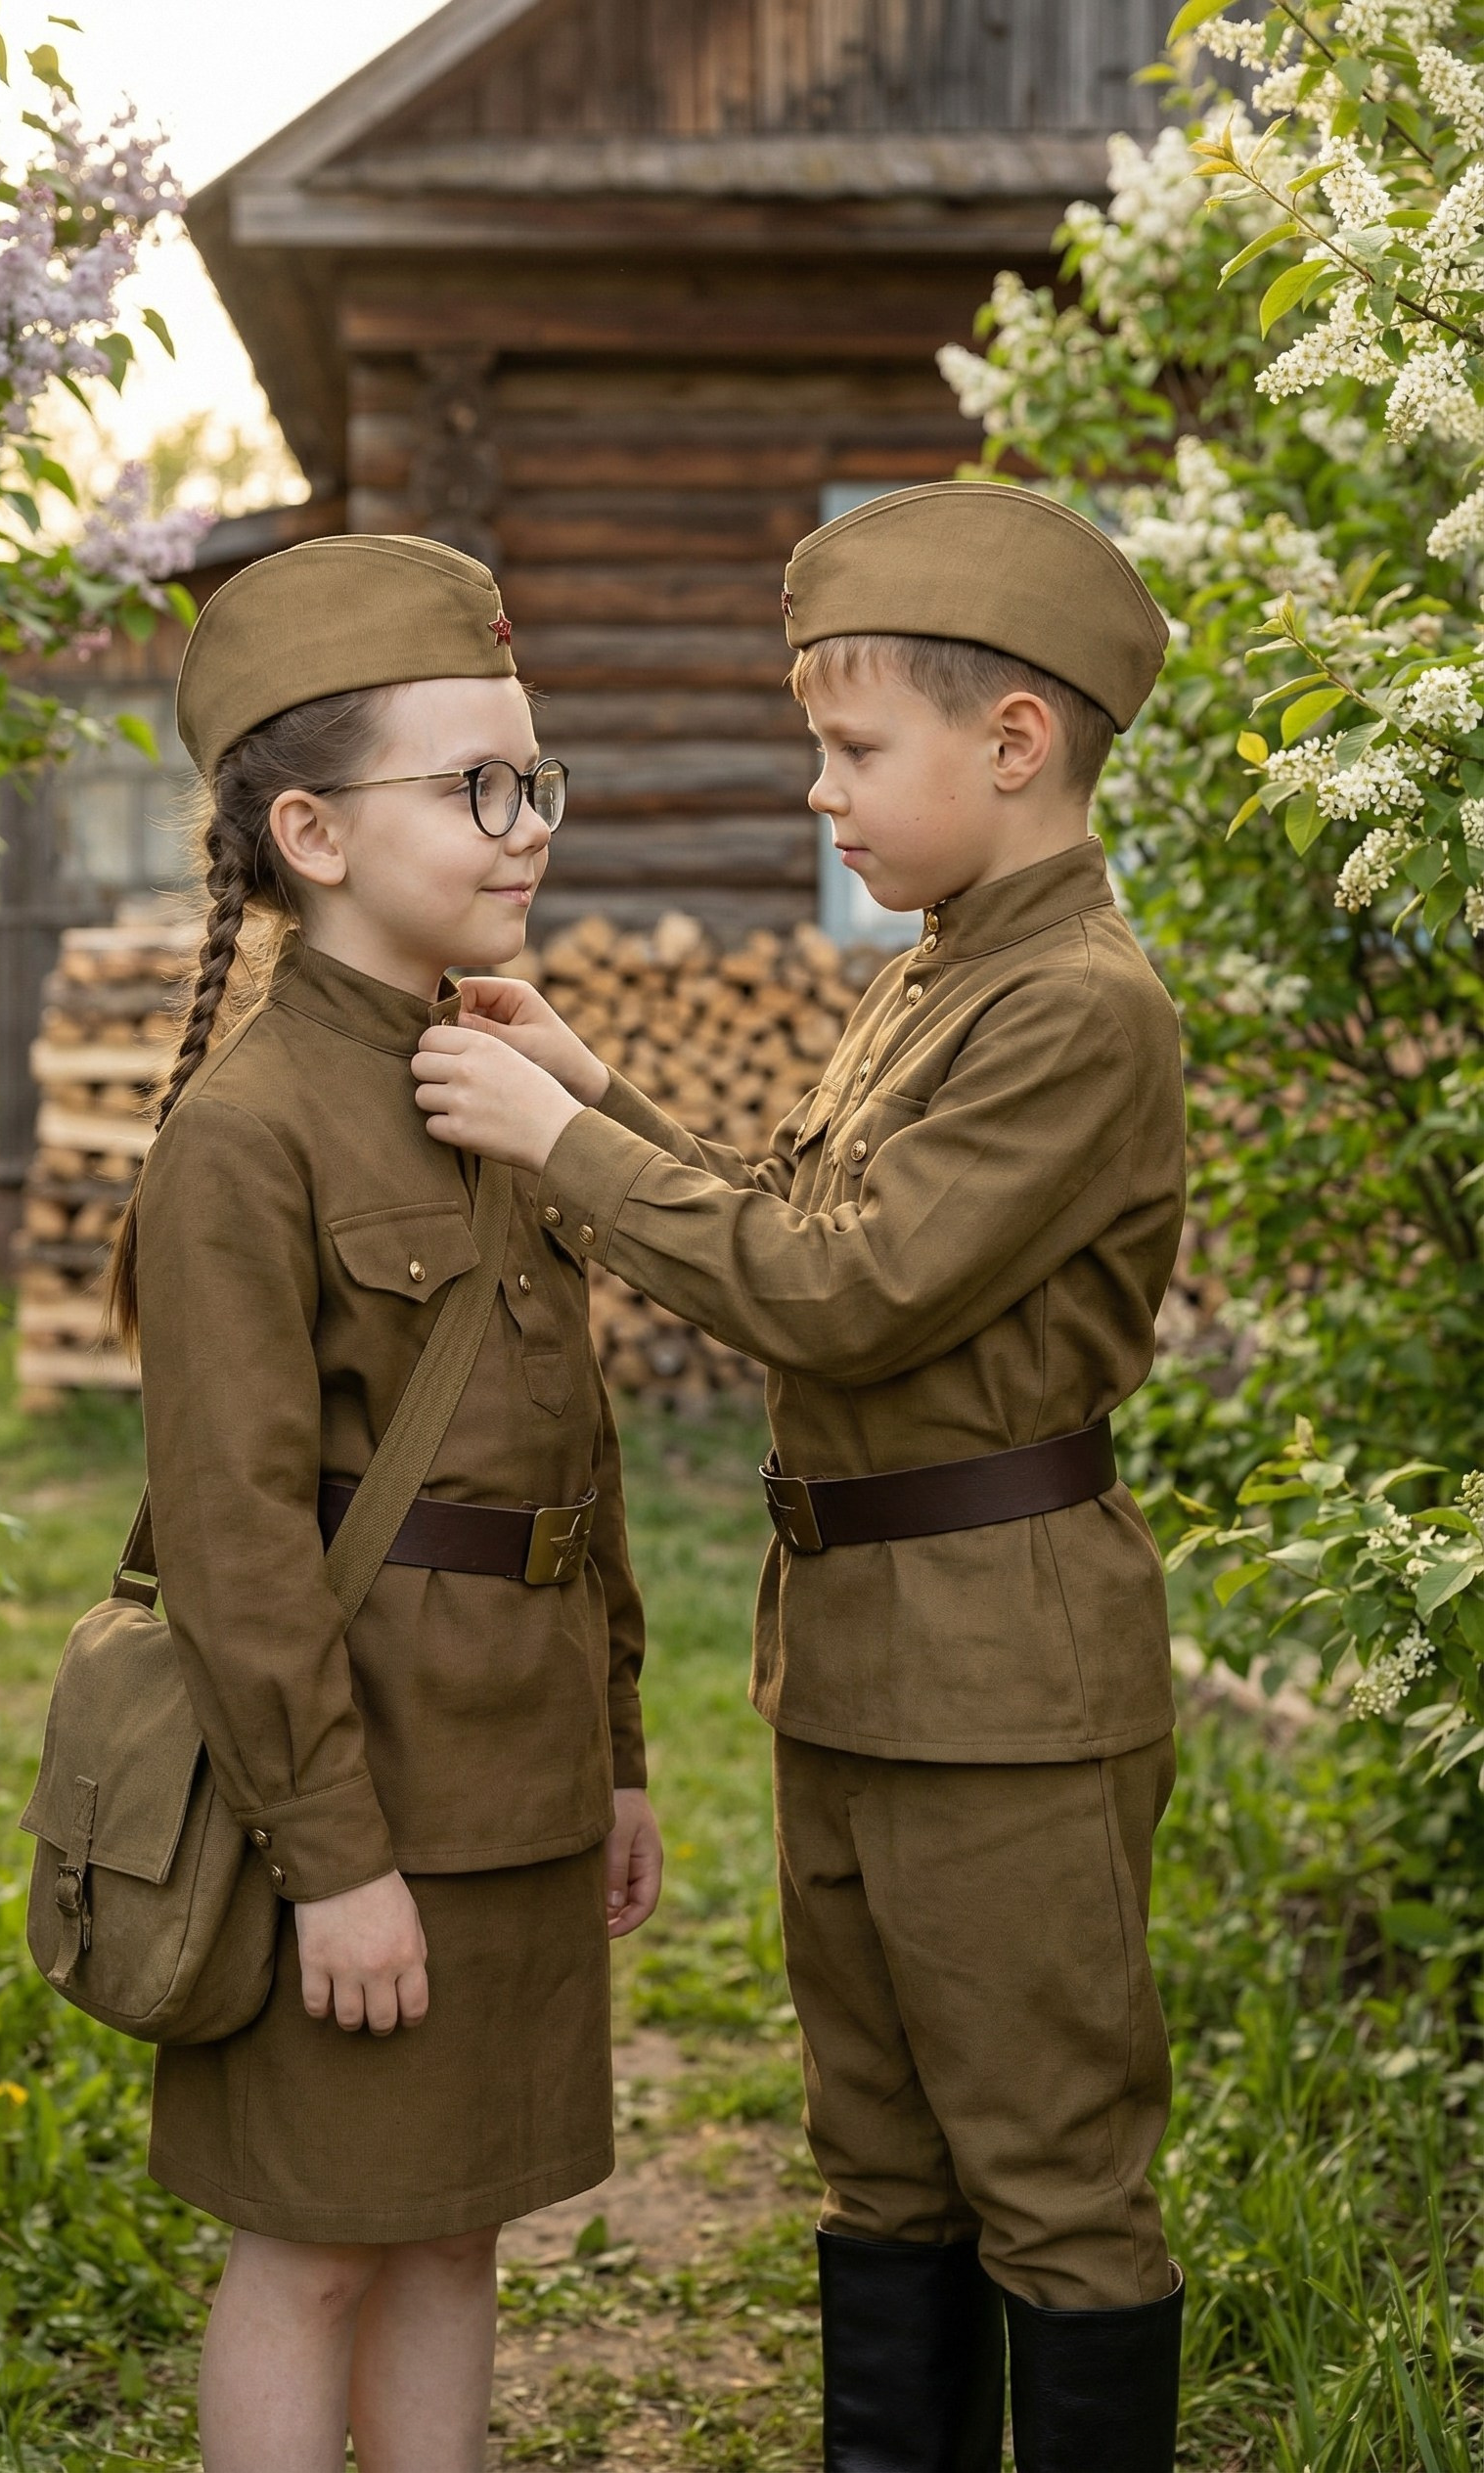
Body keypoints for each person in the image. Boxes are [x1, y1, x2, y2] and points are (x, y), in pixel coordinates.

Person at [410, 482, 1189, 2472]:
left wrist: (558, 1153)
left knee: (1049, 2172)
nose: (819, 794)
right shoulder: (935, 971)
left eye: (852, 749)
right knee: (878, 2160)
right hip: (858, 1660)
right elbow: (795, 1199)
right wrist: (601, 1089)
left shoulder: (1075, 1008)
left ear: (1012, 745)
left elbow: (842, 1289)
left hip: (1004, 1685)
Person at [108, 534, 660, 2473]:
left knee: (450, 2220)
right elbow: (235, 1544)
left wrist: (613, 1750)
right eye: (472, 786)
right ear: (312, 834)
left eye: (536, 782)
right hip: (343, 1802)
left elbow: (562, 1460)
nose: (522, 827)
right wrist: (330, 1857)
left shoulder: (483, 1070)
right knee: (313, 2246)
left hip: (509, 1780)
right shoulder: (245, 1135)